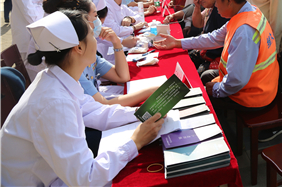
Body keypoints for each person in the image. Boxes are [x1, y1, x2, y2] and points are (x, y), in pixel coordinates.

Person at [0, 10, 164, 186]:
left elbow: (95, 112)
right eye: (92, 34)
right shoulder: (54, 103)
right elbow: (86, 179)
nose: (97, 39)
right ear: (78, 47)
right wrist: (135, 142)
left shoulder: (57, 79)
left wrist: (142, 113)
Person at [154, 0, 279, 113]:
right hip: (257, 83)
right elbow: (213, 38)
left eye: (217, 1)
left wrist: (216, 90)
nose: (216, 5)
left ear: (228, 0)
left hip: (253, 95)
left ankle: (226, 131)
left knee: (200, 99)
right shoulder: (249, 12)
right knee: (205, 78)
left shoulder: (245, 31)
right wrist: (177, 43)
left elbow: (237, 81)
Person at [187, 0, 228, 76]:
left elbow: (220, 41)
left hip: (216, 55)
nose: (200, 0)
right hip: (207, 50)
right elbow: (197, 24)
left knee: (197, 74)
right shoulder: (210, 8)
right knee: (186, 58)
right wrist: (197, 6)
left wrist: (206, 55)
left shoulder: (221, 11)